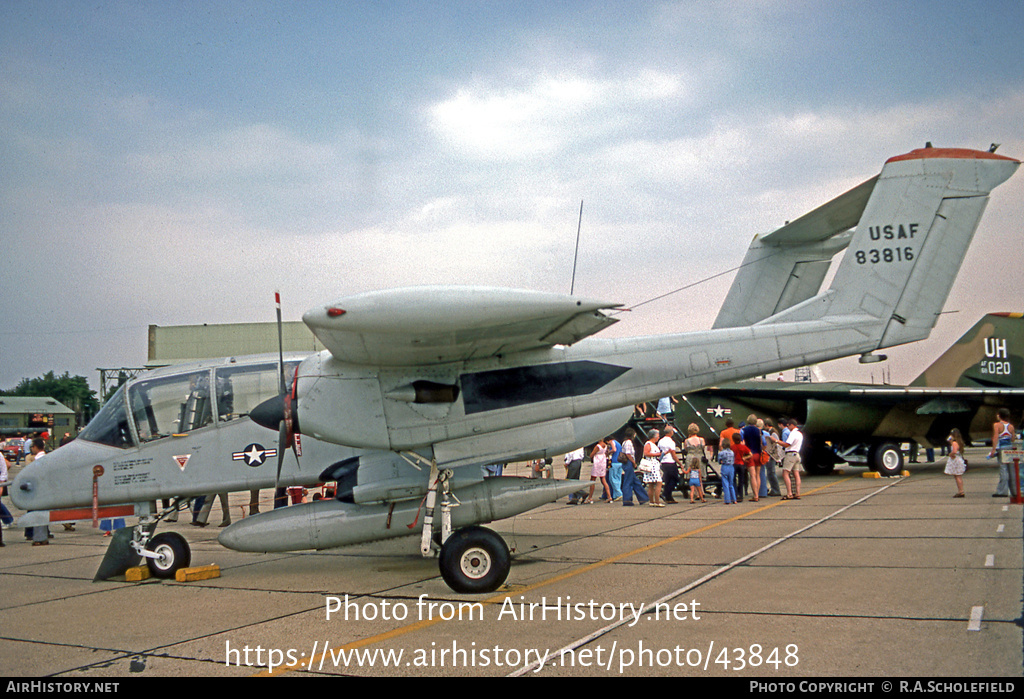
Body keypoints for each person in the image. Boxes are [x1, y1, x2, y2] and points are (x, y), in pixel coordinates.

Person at [989, 409, 1018, 498]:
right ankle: (1014, 491)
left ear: (999, 416)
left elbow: (995, 437)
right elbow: (1013, 438)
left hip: (1002, 448)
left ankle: (1002, 491)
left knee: (1003, 469)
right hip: (1009, 447)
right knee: (1011, 470)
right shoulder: (1011, 426)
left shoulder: (997, 425)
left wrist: (993, 450)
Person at [618, 428, 649, 506]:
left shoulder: (625, 442)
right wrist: (634, 462)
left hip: (627, 463)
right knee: (628, 481)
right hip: (628, 462)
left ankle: (643, 498)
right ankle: (627, 500)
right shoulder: (628, 442)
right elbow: (628, 454)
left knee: (635, 481)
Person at [779, 419, 804, 500]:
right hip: (797, 454)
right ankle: (797, 493)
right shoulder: (800, 434)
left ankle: (789, 493)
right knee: (796, 474)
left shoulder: (793, 433)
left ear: (792, 425)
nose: (788, 427)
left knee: (785, 473)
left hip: (790, 454)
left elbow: (787, 444)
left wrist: (776, 441)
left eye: (789, 425)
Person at [740, 415, 763, 503]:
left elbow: (742, 442)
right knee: (758, 475)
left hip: (749, 454)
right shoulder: (759, 431)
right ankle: (758, 493)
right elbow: (763, 442)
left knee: (752, 475)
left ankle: (755, 495)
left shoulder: (743, 430)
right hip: (758, 453)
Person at [683, 424, 707, 503]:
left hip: (690, 457)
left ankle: (695, 493)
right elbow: (703, 448)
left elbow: (686, 449)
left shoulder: (687, 441)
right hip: (699, 457)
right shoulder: (701, 440)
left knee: (692, 476)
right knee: (699, 476)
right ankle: (701, 492)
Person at [640, 429, 664, 507]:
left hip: (654, 463)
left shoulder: (652, 444)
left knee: (651, 484)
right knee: (658, 482)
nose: (658, 437)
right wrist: (657, 454)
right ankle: (657, 501)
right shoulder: (649, 444)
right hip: (652, 464)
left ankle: (652, 501)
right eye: (658, 435)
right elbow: (646, 453)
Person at [658, 425, 682, 503]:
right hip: (670, 462)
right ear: (671, 432)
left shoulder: (660, 441)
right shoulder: (671, 442)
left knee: (668, 479)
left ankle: (669, 497)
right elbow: (673, 454)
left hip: (663, 462)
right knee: (675, 478)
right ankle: (665, 493)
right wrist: (679, 463)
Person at [587, 439, 611, 504]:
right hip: (603, 462)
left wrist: (591, 457)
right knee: (603, 479)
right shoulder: (605, 445)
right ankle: (609, 497)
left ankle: (590, 497)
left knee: (593, 479)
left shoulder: (598, 446)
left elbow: (592, 454)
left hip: (597, 462)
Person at [945, 429, 967, 498]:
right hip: (958, 459)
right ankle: (961, 491)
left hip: (956, 460)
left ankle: (961, 491)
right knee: (958, 476)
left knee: (957, 476)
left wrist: (950, 454)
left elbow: (954, 451)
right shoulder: (959, 442)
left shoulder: (954, 442)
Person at [718, 437, 737, 504]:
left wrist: (721, 461)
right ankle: (734, 499)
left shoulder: (721, 453)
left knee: (725, 484)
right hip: (731, 467)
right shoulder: (732, 452)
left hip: (725, 467)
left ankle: (727, 500)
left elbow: (719, 461)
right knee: (731, 484)